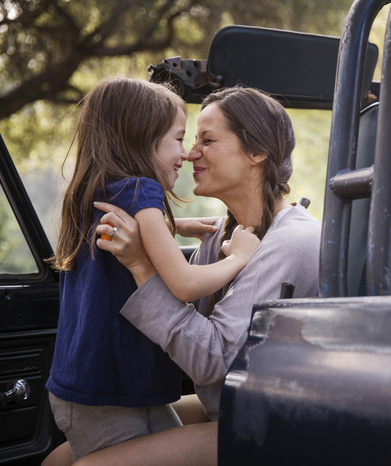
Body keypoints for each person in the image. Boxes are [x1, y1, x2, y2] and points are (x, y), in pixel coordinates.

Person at [43, 86, 321, 465]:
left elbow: (212, 362)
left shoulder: (295, 241)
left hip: (270, 422)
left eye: (207, 140)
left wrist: (142, 265)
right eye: (187, 140)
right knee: (57, 459)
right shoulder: (221, 234)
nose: (190, 153)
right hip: (229, 402)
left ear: (257, 153)